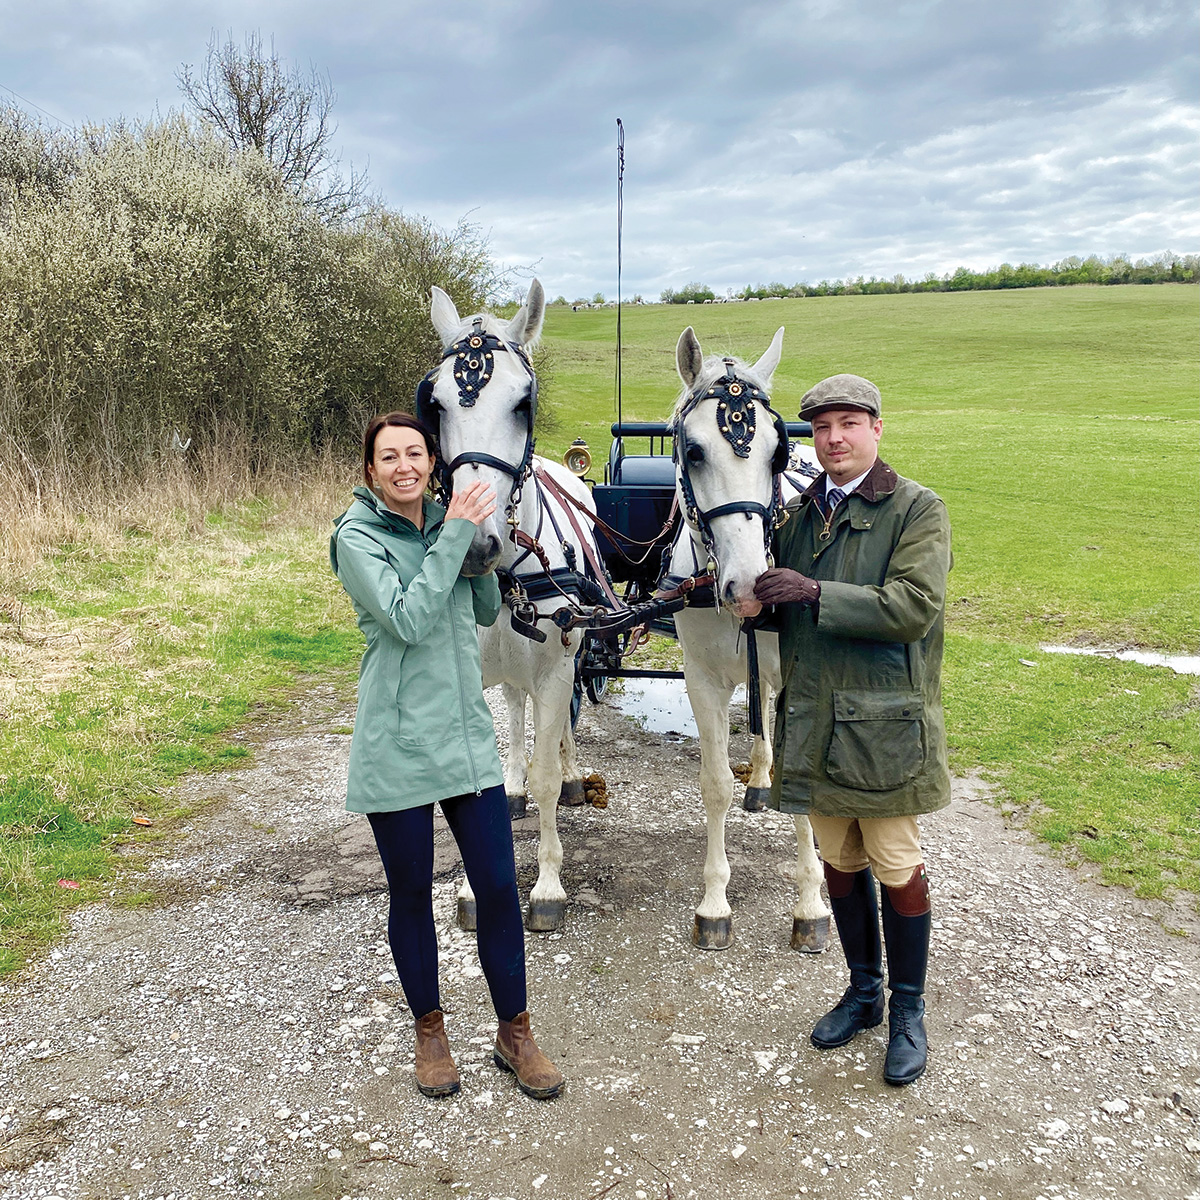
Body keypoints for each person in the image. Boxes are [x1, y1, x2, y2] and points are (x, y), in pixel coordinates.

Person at [329, 411, 565, 1101]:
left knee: (496, 885)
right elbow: (406, 618)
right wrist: (457, 531)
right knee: (412, 893)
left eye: (415, 454)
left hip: (464, 736)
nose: (405, 466)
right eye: (389, 456)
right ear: (370, 471)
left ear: (433, 461)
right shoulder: (357, 537)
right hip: (397, 742)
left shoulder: (447, 520)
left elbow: (481, 610)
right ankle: (429, 1031)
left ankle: (513, 1032)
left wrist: (484, 551)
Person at [753, 374, 951, 1087]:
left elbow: (912, 608)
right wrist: (759, 602)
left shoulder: (916, 509)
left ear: (876, 428)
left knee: (897, 864)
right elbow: (787, 605)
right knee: (839, 861)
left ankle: (907, 1011)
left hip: (883, 728)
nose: (833, 438)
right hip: (814, 724)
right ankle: (863, 994)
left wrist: (810, 590)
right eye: (821, 428)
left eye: (847, 423)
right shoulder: (803, 514)